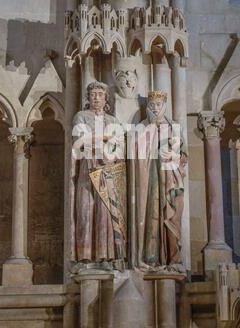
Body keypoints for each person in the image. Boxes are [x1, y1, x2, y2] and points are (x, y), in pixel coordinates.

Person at [72, 81, 127, 270]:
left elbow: (120, 145)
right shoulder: (81, 116)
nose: (96, 97)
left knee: (105, 211)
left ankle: (105, 256)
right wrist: (104, 137)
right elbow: (79, 140)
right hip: (87, 166)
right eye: (93, 94)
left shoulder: (112, 120)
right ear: (88, 98)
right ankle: (85, 257)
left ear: (106, 98)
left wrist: (97, 138)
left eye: (100, 94)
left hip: (107, 168)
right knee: (86, 209)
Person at [135, 90, 188, 271]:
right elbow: (135, 153)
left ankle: (174, 259)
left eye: (158, 105)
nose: (155, 109)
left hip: (172, 180)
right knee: (152, 215)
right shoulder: (142, 126)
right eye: (152, 105)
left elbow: (184, 156)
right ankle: (152, 258)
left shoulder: (174, 126)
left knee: (173, 217)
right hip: (151, 179)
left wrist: (174, 154)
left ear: (164, 105)